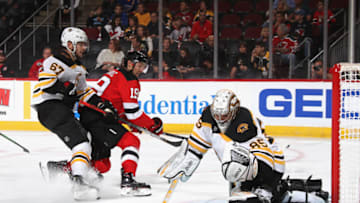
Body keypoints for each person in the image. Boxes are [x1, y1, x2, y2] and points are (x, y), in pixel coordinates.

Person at [48, 51, 163, 196]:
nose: (141, 70)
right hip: (99, 116)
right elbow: (133, 112)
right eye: (139, 66)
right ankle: (128, 181)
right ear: (129, 64)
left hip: (90, 114)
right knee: (131, 141)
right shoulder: (129, 79)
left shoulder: (115, 74)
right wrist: (152, 125)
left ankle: (61, 167)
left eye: (143, 67)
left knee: (102, 165)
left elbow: (118, 108)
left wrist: (133, 124)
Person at [31, 27, 117, 200]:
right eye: (81, 45)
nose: (84, 48)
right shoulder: (53, 61)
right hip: (49, 107)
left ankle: (65, 170)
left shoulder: (79, 69)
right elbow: (47, 84)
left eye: (85, 45)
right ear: (69, 44)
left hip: (60, 109)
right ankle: (78, 182)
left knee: (86, 141)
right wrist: (66, 89)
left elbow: (85, 93)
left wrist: (104, 106)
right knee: (82, 144)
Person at [158, 89, 285, 202]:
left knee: (240, 171)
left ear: (234, 111)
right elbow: (196, 147)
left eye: (224, 115)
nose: (219, 119)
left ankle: (268, 187)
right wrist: (187, 162)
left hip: (266, 161)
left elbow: (264, 157)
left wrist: (266, 185)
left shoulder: (244, 120)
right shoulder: (208, 117)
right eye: (216, 115)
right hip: (237, 168)